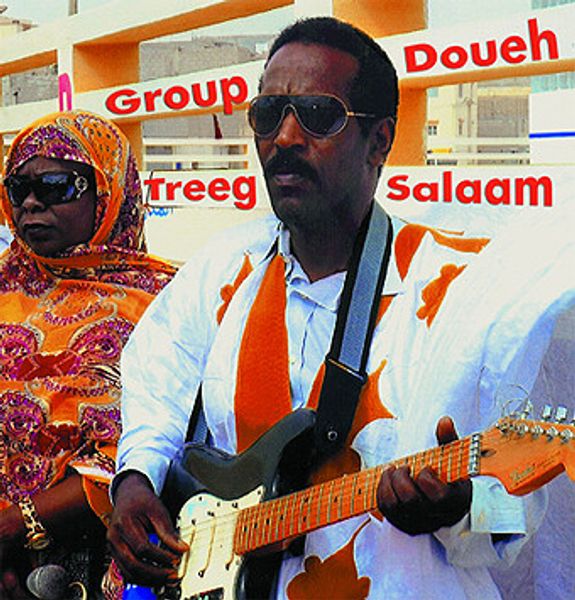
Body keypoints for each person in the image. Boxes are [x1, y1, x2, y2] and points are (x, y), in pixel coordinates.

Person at [107, 17, 569, 599]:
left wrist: (457, 508)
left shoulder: (462, 294)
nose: (285, 138)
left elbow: (519, 513)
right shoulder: (224, 269)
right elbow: (157, 379)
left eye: (318, 115)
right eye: (268, 114)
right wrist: (136, 477)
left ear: (380, 141)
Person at [0, 110, 176, 599]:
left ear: (108, 193)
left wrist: (18, 525)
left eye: (56, 186)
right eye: (18, 189)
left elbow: (151, 440)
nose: (31, 203)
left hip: (100, 564)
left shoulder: (166, 302)